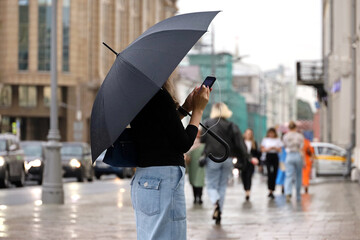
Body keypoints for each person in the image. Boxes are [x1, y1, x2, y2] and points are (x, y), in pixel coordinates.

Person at [130, 79, 210, 240]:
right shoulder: (160, 95)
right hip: (164, 178)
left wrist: (186, 108)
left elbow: (160, 129)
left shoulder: (136, 95)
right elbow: (183, 143)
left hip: (143, 180)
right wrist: (198, 110)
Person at [201, 102, 250, 225]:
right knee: (222, 186)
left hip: (212, 158)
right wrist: (247, 157)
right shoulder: (231, 125)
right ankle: (219, 212)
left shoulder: (207, 123)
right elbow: (239, 143)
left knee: (211, 185)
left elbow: (202, 139)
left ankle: (215, 201)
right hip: (227, 158)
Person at [283, 121, 304, 201]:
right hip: (298, 154)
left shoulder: (285, 136)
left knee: (288, 175)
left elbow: (284, 145)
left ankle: (288, 192)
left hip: (289, 155)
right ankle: (298, 194)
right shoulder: (300, 136)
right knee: (299, 175)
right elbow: (302, 146)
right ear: (295, 127)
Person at [261, 128, 282, 199]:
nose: (271, 134)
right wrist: (268, 149)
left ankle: (273, 189)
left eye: (272, 133)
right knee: (269, 173)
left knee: (275, 173)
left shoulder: (277, 140)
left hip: (275, 156)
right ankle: (270, 190)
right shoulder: (265, 140)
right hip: (268, 156)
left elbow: (280, 150)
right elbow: (262, 149)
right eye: (270, 133)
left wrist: (275, 148)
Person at [185, 131, 205, 205]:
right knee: (193, 181)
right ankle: (195, 197)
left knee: (200, 181)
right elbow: (186, 153)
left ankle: (199, 197)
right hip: (192, 164)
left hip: (200, 165)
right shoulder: (190, 142)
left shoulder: (203, 142)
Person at [242, 128, 260, 201]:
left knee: (249, 176)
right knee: (243, 176)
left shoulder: (254, 143)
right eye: (247, 133)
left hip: (251, 162)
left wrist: (256, 160)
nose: (249, 135)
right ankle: (246, 189)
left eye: (250, 133)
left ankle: (248, 192)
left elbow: (257, 153)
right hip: (243, 162)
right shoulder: (241, 142)